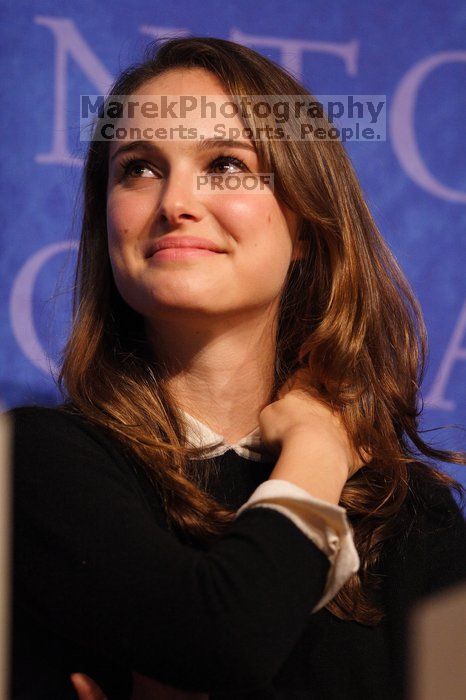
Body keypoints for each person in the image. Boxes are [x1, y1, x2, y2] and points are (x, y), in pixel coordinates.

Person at [9, 36, 465, 700]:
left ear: (305, 223)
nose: (174, 203)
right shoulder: (36, 463)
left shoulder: (407, 512)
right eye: (138, 167)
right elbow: (223, 644)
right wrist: (318, 446)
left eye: (225, 163)